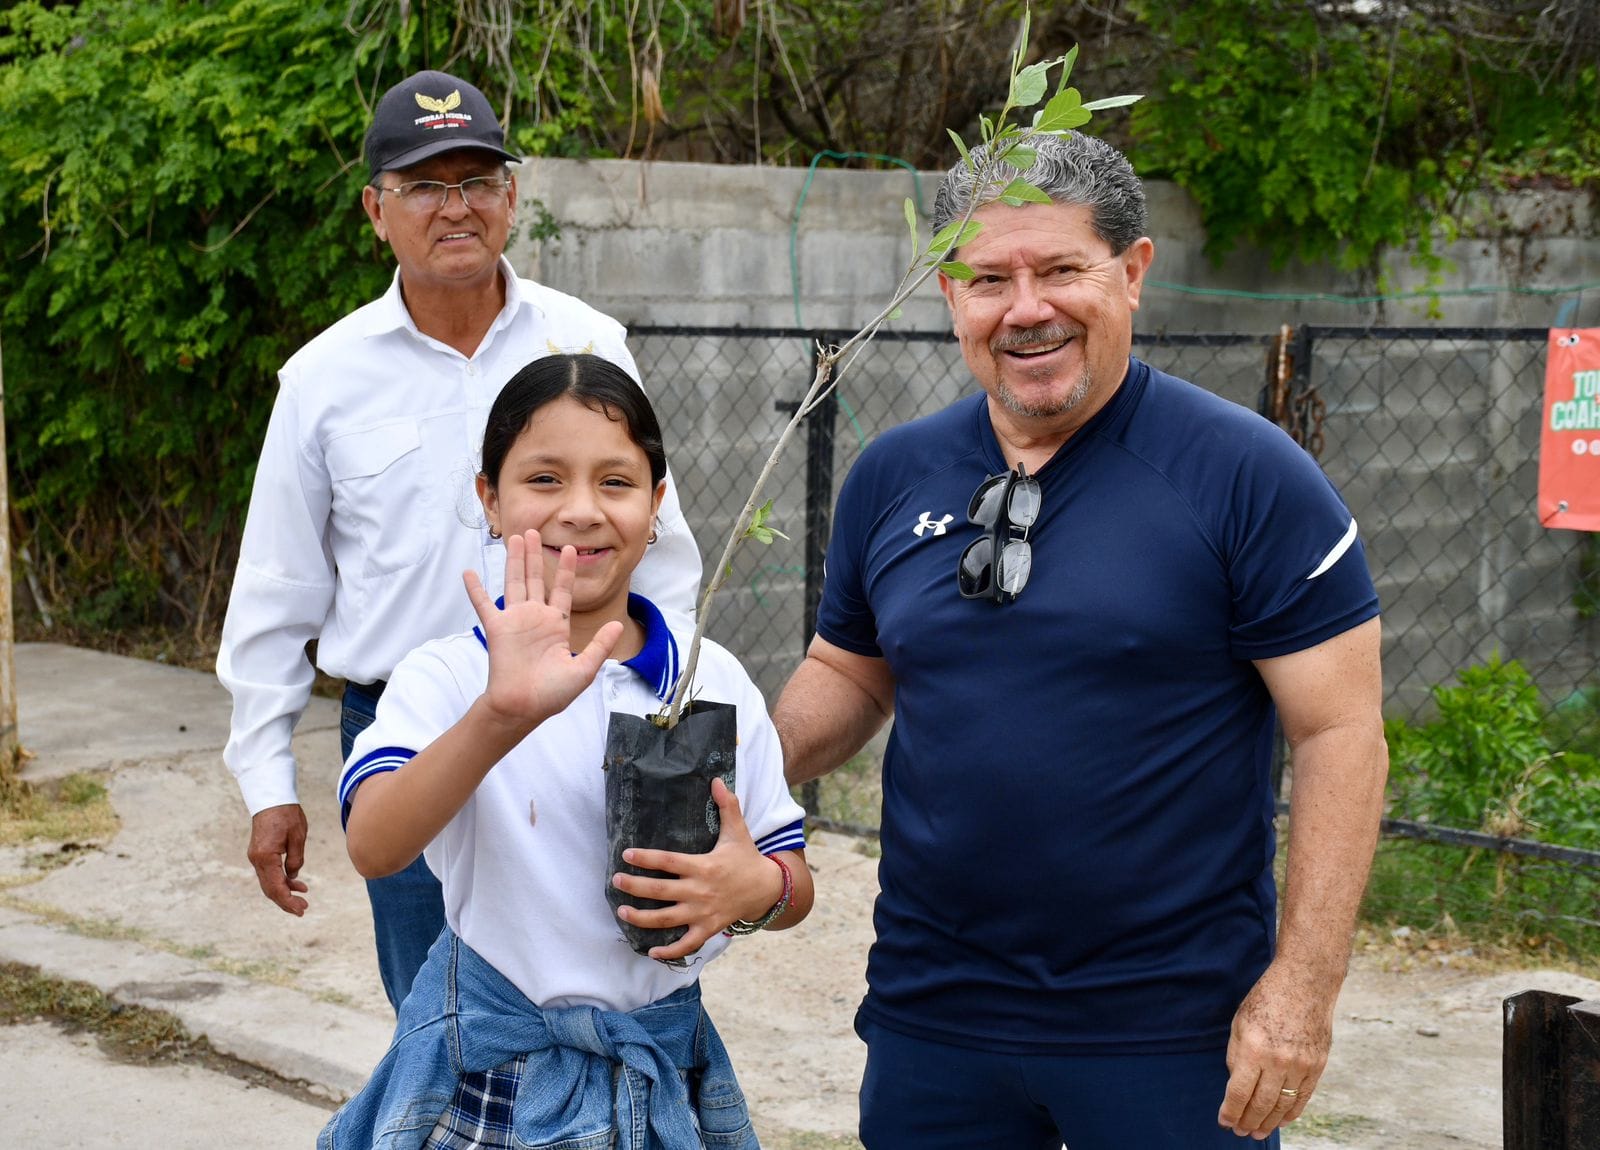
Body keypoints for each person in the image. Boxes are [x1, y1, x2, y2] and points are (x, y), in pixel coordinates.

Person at [772, 130, 1388, 1148]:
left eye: (1061, 269)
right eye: (988, 279)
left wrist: (1303, 987)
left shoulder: (1248, 476)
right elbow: (850, 670)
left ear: (1132, 273)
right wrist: (742, 765)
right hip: (934, 1014)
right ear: (949, 294)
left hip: (1170, 1031)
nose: (1025, 308)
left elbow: (1340, 733)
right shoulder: (893, 474)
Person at [215, 69, 702, 1013]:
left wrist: (663, 717)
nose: (457, 207)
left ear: (510, 198)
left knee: (608, 989)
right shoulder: (324, 379)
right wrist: (267, 782)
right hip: (409, 736)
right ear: (376, 210)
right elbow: (278, 588)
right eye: (425, 186)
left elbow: (665, 548)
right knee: (435, 1018)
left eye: (478, 180)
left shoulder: (584, 343)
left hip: (579, 718)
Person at [320, 353, 811, 1149]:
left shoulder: (708, 679)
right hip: (488, 1077)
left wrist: (758, 888)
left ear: (656, 507)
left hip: (661, 1069)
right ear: (489, 499)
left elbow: (792, 878)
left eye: (615, 483)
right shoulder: (451, 676)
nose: (580, 511)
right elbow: (374, 846)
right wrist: (498, 717)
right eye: (544, 479)